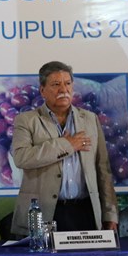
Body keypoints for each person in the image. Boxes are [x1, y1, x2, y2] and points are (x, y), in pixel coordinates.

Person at [9, 61, 117, 235]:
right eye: (56, 84)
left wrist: (109, 213)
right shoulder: (27, 120)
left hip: (85, 211)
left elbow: (103, 169)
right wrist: (67, 145)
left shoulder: (90, 119)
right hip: (44, 212)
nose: (63, 89)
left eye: (67, 83)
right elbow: (22, 158)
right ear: (42, 90)